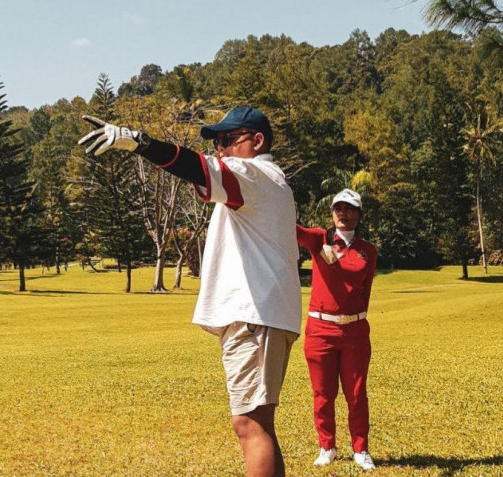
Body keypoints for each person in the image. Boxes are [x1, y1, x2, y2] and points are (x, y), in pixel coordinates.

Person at [79, 107, 302, 477]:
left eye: (228, 140)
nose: (220, 149)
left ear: (257, 141)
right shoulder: (267, 180)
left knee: (251, 426)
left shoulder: (254, 173)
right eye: (217, 142)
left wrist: (139, 142)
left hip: (253, 314)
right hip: (260, 315)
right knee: (258, 424)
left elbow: (195, 167)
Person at [296, 189, 377, 472]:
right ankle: (327, 446)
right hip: (320, 330)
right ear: (332, 213)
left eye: (350, 208)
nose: (343, 213)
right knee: (323, 392)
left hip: (355, 330)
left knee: (356, 394)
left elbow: (365, 291)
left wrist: (354, 316)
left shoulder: (367, 250)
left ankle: (361, 449)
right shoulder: (319, 240)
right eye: (338, 208)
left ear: (359, 214)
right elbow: (295, 231)